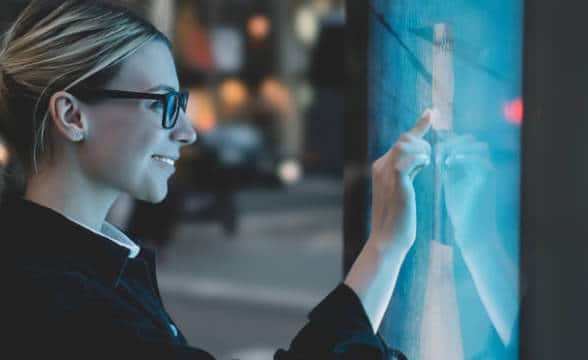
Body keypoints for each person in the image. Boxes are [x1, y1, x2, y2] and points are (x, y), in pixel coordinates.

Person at [0, 1, 433, 358]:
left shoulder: (61, 268)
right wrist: (385, 246)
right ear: (71, 116)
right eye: (164, 104)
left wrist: (384, 246)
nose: (187, 131)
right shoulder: (60, 304)